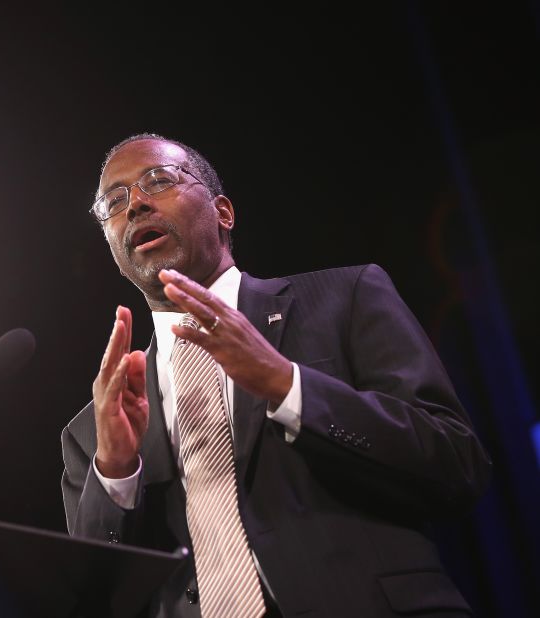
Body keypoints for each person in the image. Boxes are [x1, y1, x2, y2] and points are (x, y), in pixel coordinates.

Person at [60, 133, 492, 618]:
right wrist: (117, 471)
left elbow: (456, 463)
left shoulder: (344, 299)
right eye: (113, 202)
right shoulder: (95, 433)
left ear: (223, 212)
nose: (135, 205)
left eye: (157, 181)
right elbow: (94, 595)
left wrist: (287, 385)